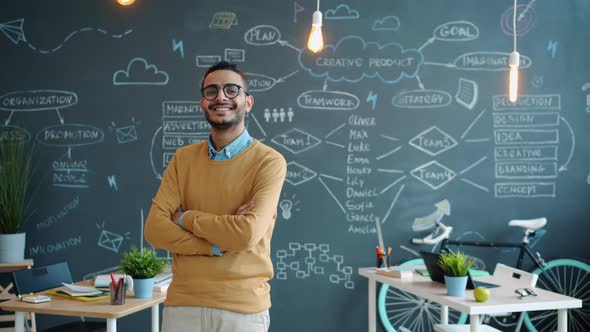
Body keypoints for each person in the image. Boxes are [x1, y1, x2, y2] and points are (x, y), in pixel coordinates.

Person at [145, 61, 287, 332]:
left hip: (243, 310)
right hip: (181, 307)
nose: (221, 96)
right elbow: (154, 229)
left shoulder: (269, 162)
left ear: (248, 102)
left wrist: (185, 217)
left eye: (232, 90)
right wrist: (213, 245)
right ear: (203, 103)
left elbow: (246, 234)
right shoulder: (182, 159)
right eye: (212, 91)